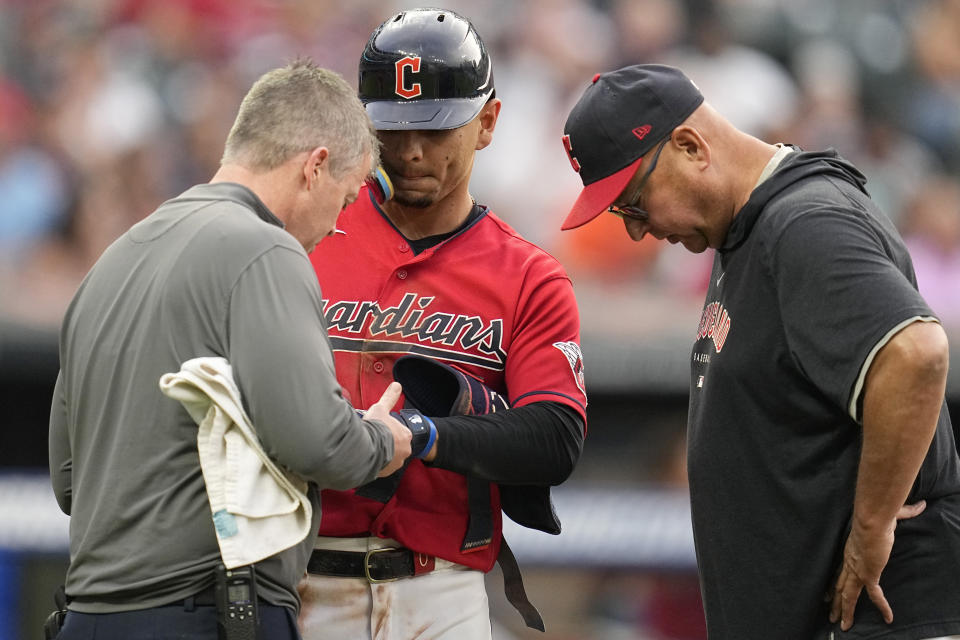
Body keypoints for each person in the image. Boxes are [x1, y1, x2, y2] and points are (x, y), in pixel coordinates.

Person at [559, 63, 960, 639]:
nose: (637, 232)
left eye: (634, 204)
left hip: (876, 619)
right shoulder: (753, 224)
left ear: (691, 146)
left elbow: (918, 353)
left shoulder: (805, 221)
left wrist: (872, 527)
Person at [47, 59, 413, 640]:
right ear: (315, 167)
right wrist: (383, 441)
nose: (339, 225)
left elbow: (69, 480)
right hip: (201, 610)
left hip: (88, 614)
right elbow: (319, 442)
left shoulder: (112, 260)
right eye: (346, 202)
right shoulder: (265, 249)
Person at [298, 8, 588, 640]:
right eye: (392, 130)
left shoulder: (527, 274)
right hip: (300, 582)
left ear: (487, 123)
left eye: (435, 129)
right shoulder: (306, 237)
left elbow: (557, 435)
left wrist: (427, 434)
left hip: (443, 593)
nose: (410, 151)